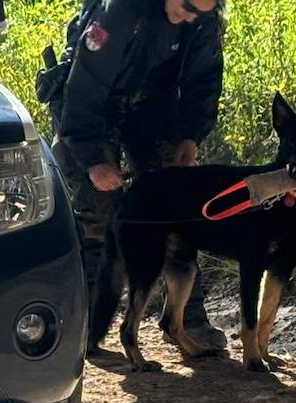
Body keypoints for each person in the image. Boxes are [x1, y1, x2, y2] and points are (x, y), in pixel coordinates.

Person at [47, 0, 229, 353]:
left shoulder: (202, 19)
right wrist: (92, 161)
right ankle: (87, 326)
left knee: (176, 200)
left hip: (152, 103)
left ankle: (188, 318)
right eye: (188, 6)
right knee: (98, 211)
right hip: (92, 109)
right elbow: (82, 90)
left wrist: (191, 135)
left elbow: (205, 80)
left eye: (201, 11)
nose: (191, 16)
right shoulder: (118, 13)